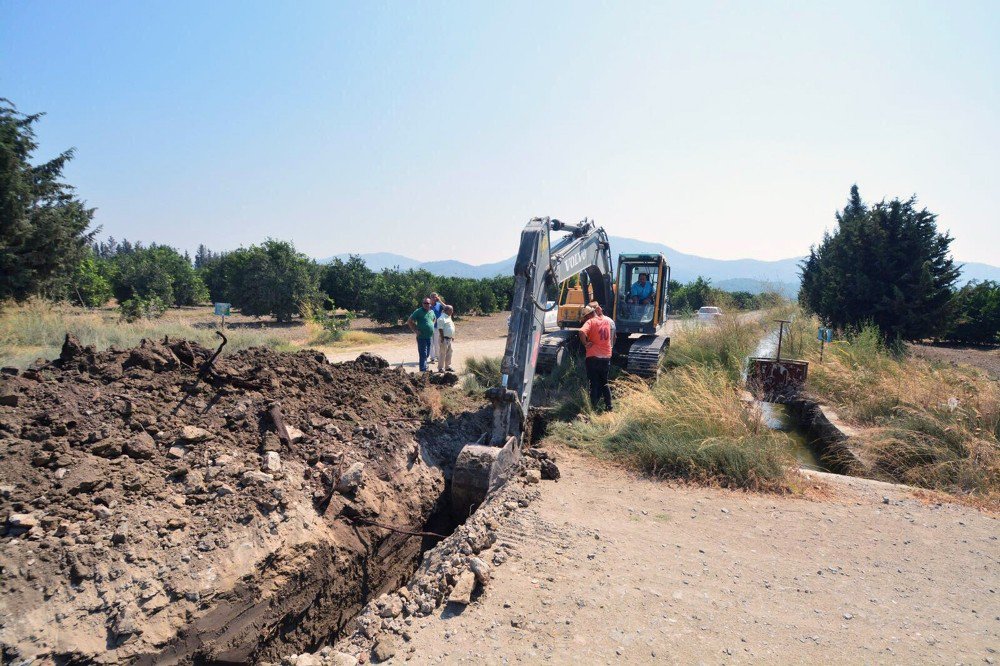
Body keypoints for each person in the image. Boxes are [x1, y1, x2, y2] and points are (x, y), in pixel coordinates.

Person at [578, 303, 613, 411]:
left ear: (588, 315)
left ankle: (593, 408)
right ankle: (609, 406)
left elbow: (581, 331)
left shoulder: (590, 321)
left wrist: (585, 343)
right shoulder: (607, 321)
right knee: (604, 382)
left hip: (593, 357)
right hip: (606, 356)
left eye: (584, 317)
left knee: (594, 383)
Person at [407, 297, 436, 372]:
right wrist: (415, 330)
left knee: (427, 354)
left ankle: (425, 367)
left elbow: (434, 319)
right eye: (425, 303)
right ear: (422, 304)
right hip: (421, 337)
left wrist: (431, 325)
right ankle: (422, 370)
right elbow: (410, 321)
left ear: (430, 304)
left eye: (428, 303)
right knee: (423, 354)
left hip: (429, 336)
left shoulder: (431, 312)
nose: (426, 304)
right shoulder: (418, 311)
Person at [435, 304, 455, 372]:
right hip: (444, 338)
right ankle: (440, 368)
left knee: (449, 353)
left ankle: (447, 367)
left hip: (449, 338)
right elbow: (440, 328)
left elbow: (450, 327)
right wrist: (442, 338)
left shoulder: (449, 317)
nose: (452, 311)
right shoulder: (441, 318)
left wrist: (452, 336)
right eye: (451, 310)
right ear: (446, 310)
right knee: (442, 353)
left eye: (452, 310)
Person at [428, 292, 446, 362]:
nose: (434, 298)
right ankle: (432, 358)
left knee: (436, 343)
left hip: (437, 327)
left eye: (435, 297)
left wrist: (440, 301)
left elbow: (446, 308)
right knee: (430, 343)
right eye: (432, 297)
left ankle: (437, 357)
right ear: (430, 298)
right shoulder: (428, 305)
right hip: (429, 327)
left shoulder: (439, 305)